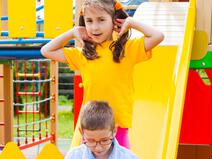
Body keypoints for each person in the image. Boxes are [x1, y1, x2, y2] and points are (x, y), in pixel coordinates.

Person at [41, 0, 164, 149]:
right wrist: (73, 32)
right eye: (89, 21)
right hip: (90, 129)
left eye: (101, 20)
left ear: (114, 21)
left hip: (118, 127)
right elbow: (46, 50)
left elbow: (158, 36)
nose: (95, 27)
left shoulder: (127, 50)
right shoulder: (83, 55)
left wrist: (131, 22)